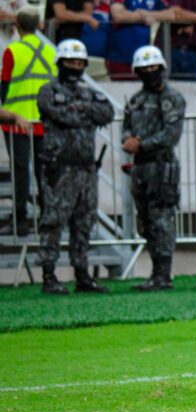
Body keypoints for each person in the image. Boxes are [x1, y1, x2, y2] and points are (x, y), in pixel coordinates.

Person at [36, 39, 114, 295]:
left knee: (84, 222)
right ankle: (49, 276)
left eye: (80, 63)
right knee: (53, 221)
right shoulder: (48, 90)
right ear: (60, 63)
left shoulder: (87, 92)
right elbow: (61, 115)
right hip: (59, 168)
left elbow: (107, 113)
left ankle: (82, 276)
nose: (76, 66)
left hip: (86, 169)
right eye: (71, 62)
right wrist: (85, 113)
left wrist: (82, 108)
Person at [123, 46, 186, 291]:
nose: (150, 72)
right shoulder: (137, 100)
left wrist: (142, 144)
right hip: (140, 170)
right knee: (146, 222)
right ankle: (155, 274)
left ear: (161, 69)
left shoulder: (171, 97)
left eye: (154, 68)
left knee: (162, 221)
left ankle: (163, 275)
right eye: (145, 69)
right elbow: (126, 126)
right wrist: (128, 140)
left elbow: (171, 134)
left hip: (163, 168)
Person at [0, 7, 55, 237]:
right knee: (44, 171)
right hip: (44, 120)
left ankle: (20, 220)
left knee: (20, 171)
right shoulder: (53, 51)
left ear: (17, 26)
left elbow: (4, 86)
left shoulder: (13, 50)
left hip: (17, 120)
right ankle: (47, 218)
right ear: (40, 25)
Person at [107, 0, 175, 80]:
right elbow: (118, 15)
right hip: (120, 56)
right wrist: (143, 17)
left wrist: (146, 14)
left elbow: (170, 15)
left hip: (146, 57)